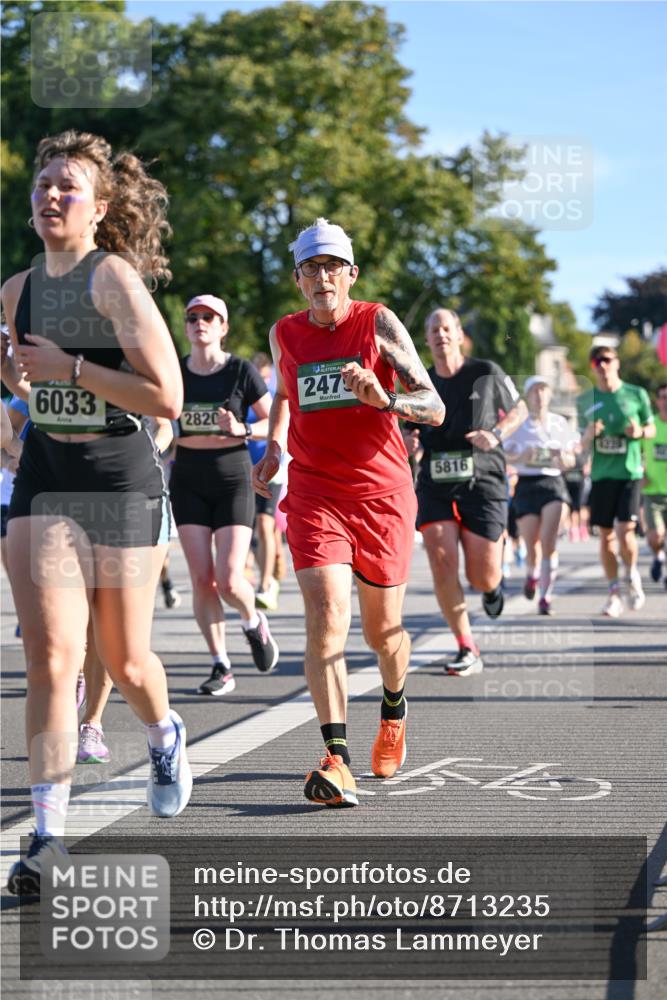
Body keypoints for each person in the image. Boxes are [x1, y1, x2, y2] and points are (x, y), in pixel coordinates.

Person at [2, 130, 192, 895]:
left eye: (68, 186)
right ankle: (48, 837)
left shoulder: (112, 279)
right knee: (51, 659)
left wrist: (71, 368)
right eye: (43, 183)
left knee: (125, 660)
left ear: (99, 207)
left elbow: (168, 398)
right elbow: (14, 379)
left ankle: (163, 732)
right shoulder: (14, 291)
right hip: (47, 477)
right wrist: (20, 406)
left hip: (120, 479)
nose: (51, 195)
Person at [253, 218, 444, 807]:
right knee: (326, 614)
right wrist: (276, 446)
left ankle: (393, 706)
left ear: (350, 274)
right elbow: (285, 393)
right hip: (314, 493)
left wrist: (384, 397)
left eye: (333, 266)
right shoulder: (283, 334)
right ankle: (337, 759)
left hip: (382, 495)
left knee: (383, 632)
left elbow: (432, 406)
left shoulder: (377, 322)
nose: (322, 277)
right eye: (311, 267)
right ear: (298, 278)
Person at [403, 308, 526, 677]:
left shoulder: (485, 372)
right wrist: (409, 440)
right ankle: (466, 645)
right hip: (436, 481)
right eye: (433, 329)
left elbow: (518, 409)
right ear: (426, 340)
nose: (440, 334)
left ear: (458, 334)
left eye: (446, 327)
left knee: (482, 575)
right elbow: (409, 429)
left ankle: (492, 588)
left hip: (484, 478)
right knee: (442, 562)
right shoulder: (419, 381)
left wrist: (497, 433)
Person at [170, 294, 278, 697]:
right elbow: (158, 415)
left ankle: (252, 622)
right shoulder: (175, 372)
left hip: (232, 477)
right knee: (201, 580)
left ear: (223, 326)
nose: (200, 322)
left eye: (209, 317)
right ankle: (221, 664)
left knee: (230, 580)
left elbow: (274, 423)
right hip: (188, 479)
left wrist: (243, 431)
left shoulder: (240, 371)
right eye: (192, 316)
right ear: (186, 326)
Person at [577, 344, 655, 617]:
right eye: (597, 361)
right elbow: (581, 443)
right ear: (592, 366)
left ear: (617, 363)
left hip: (629, 473)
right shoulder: (585, 400)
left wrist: (639, 431)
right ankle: (613, 592)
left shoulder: (636, 394)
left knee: (626, 531)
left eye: (607, 359)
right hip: (601, 475)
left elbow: (651, 427)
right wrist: (589, 434)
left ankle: (631, 573)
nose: (603, 365)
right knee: (606, 536)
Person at [503, 375, 579, 615]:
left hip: (552, 483)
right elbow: (503, 456)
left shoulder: (559, 423)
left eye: (543, 390)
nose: (539, 395)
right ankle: (532, 575)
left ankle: (545, 597)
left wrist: (560, 457)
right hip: (526, 484)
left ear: (549, 394)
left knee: (549, 542)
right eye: (534, 391)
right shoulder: (518, 424)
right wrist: (521, 458)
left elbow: (571, 460)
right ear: (528, 395)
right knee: (531, 544)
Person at [247, 351, 288, 610]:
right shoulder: (243, 394)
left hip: (273, 469)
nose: (260, 385)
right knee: (256, 529)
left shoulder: (274, 395)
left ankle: (265, 585)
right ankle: (267, 570)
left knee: (264, 524)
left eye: (264, 379)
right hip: (244, 469)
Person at [642, 382, 667, 586]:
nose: (666, 401)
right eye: (663, 397)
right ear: (657, 401)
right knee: (655, 537)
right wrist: (640, 472)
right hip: (652, 491)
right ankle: (658, 557)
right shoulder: (651, 428)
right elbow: (637, 451)